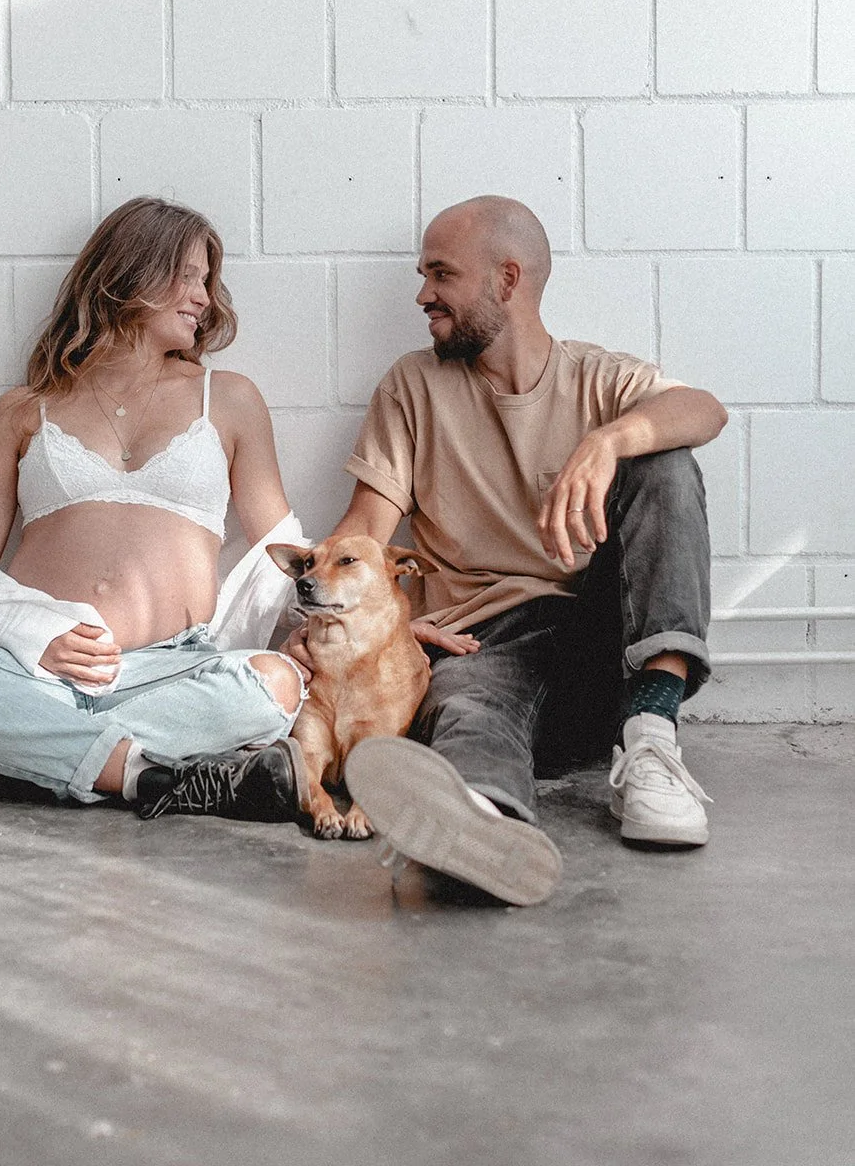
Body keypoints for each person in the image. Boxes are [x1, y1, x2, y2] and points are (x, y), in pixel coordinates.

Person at [305, 195, 727, 906]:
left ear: (506, 280)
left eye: (440, 275)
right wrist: (357, 624)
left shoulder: (596, 379)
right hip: (478, 646)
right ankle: (480, 826)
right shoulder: (412, 386)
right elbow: (362, 532)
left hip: (599, 647)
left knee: (665, 461)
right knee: (467, 712)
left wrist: (607, 442)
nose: (422, 294)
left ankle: (651, 737)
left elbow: (704, 409)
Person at [0, 197, 312, 823]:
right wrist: (33, 638)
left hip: (172, 666)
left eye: (208, 282)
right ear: (130, 273)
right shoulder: (24, 409)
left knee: (275, 683)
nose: (204, 298)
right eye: (187, 275)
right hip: (31, 667)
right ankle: (150, 775)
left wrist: (359, 622)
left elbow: (284, 553)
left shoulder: (231, 399)